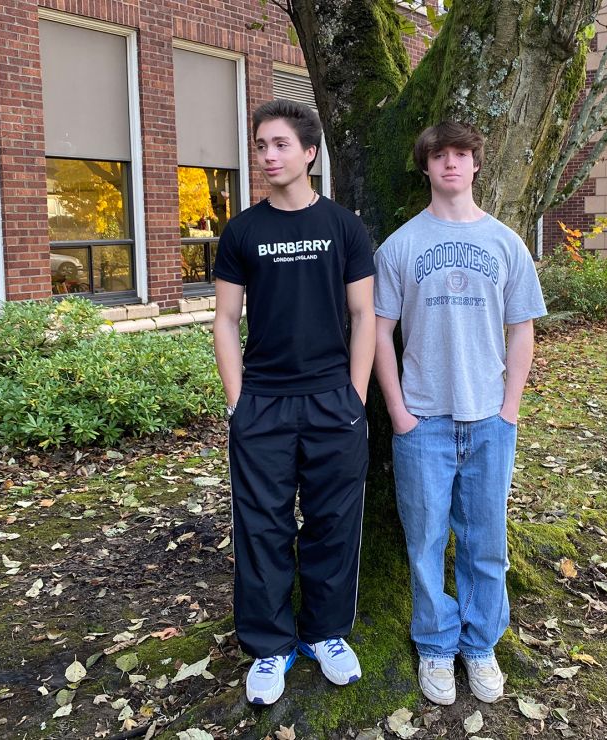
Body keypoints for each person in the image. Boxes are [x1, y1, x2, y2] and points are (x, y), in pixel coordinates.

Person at [372, 121, 546, 705]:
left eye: (461, 154)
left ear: (476, 166)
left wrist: (509, 409)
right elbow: (379, 335)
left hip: (490, 421)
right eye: (439, 155)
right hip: (423, 422)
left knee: (485, 541)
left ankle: (480, 646)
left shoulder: (506, 243)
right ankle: (437, 647)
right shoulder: (399, 246)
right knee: (424, 543)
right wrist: (398, 413)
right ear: (426, 167)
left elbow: (522, 331)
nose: (450, 164)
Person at [212, 99, 376, 706]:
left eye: (280, 144)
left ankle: (327, 634)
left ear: (310, 153)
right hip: (264, 406)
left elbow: (364, 315)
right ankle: (270, 646)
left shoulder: (343, 226)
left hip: (335, 402)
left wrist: (356, 397)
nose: (268, 155)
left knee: (335, 522)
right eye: (260, 145)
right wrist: (238, 403)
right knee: (262, 526)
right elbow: (225, 321)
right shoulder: (243, 231)